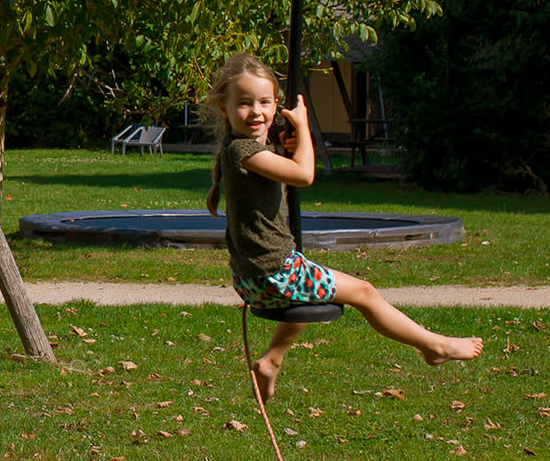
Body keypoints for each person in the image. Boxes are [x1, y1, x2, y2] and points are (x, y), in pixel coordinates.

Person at [205, 52, 481, 401]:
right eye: (244, 103)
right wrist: (304, 127)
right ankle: (435, 346)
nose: (256, 111)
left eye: (264, 101)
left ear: (276, 105)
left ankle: (272, 360)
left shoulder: (248, 149)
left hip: (251, 278)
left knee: (312, 289)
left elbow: (284, 178)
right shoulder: (241, 150)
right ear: (224, 109)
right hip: (275, 272)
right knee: (365, 292)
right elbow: (305, 175)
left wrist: (292, 148)